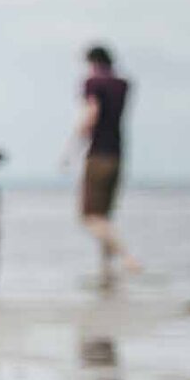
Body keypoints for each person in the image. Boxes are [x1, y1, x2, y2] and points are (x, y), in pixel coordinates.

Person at [67, 44, 141, 278]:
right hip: (118, 154)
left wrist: (71, 150)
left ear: (93, 62)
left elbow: (92, 114)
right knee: (106, 216)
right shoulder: (123, 85)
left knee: (89, 217)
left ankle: (127, 258)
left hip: (98, 153)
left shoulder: (93, 83)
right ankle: (107, 271)